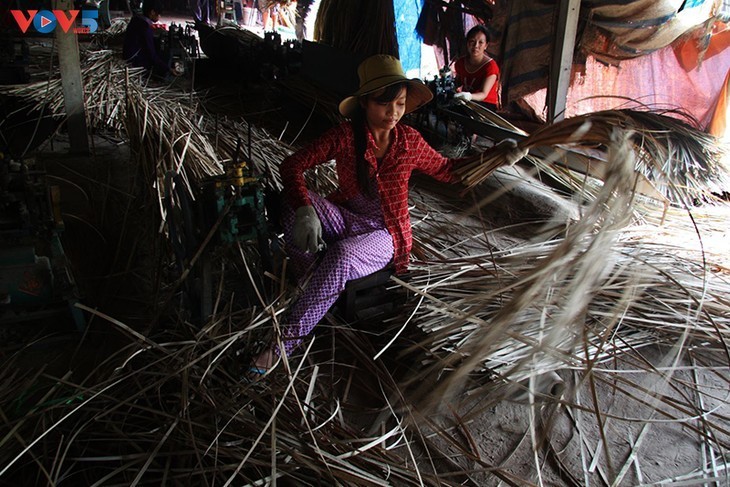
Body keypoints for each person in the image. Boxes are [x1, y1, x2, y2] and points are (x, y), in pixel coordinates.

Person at [251, 54, 527, 373]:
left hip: (386, 235)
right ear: (365, 103)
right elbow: (292, 165)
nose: (393, 113)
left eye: (399, 104)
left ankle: (283, 343)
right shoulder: (345, 136)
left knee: (341, 256)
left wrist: (498, 156)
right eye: (384, 105)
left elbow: (450, 171)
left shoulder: (408, 142)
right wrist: (304, 208)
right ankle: (310, 281)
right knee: (290, 202)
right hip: (348, 217)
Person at [122, 0, 178, 77]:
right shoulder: (145, 28)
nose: (160, 16)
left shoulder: (136, 20)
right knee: (162, 55)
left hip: (127, 57)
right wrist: (168, 69)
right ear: (152, 12)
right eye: (159, 14)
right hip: (135, 63)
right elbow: (152, 55)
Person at [452, 24, 499, 111]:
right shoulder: (460, 63)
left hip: (486, 105)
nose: (476, 46)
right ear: (467, 43)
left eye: (481, 42)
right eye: (472, 41)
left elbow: (483, 94)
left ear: (486, 45)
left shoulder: (490, 67)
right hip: (467, 102)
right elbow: (457, 83)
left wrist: (469, 96)